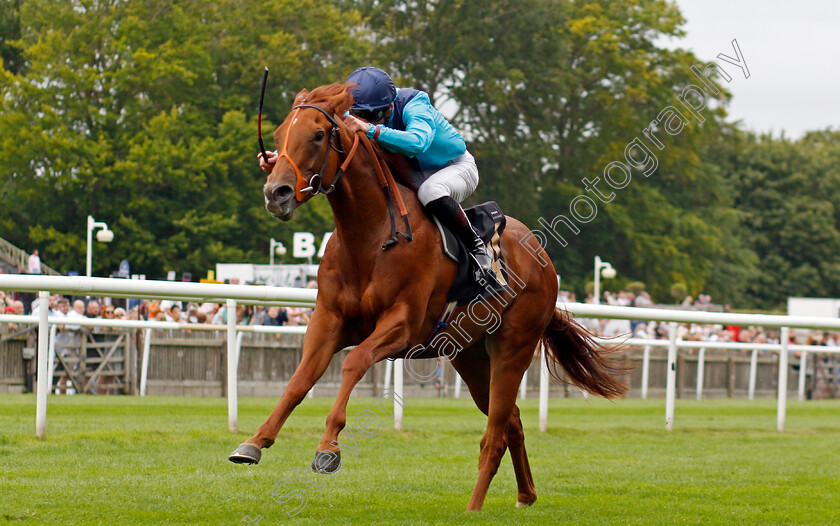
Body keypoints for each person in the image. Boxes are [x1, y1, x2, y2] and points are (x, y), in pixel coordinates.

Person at [258, 66, 493, 276]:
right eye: (358, 114)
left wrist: (371, 129)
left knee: (430, 191)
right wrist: (281, 160)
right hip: (409, 171)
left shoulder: (415, 104)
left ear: (389, 105)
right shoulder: (359, 112)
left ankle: (476, 246)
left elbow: (417, 142)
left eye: (371, 117)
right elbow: (321, 139)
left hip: (453, 167)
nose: (362, 120)